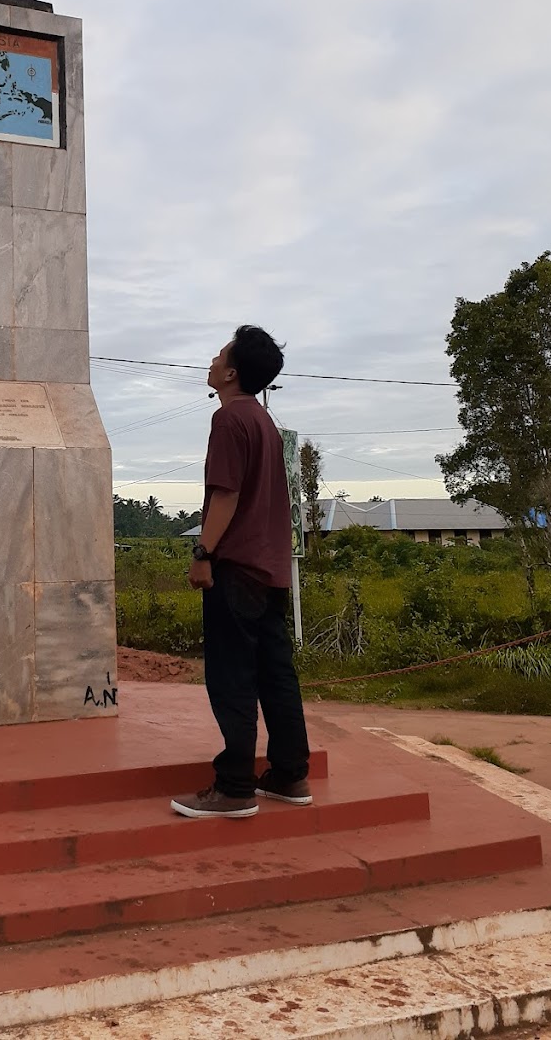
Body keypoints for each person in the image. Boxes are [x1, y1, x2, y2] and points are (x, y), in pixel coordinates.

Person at [171, 325, 311, 820]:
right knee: (276, 674)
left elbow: (226, 496)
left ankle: (234, 787)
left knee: (232, 678)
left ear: (231, 373)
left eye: (219, 355)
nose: (210, 361)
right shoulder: (265, 423)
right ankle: (290, 775)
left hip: (237, 570)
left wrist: (203, 554)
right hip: (271, 572)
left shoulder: (228, 420)